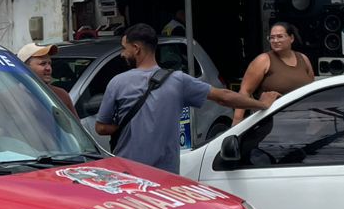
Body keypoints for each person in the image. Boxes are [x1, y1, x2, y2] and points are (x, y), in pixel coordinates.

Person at [94, 24, 271, 174]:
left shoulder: (118, 83)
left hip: (128, 173)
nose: (122, 54)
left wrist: (125, 125)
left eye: (124, 48)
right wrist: (262, 104)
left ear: (136, 49)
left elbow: (101, 127)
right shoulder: (178, 80)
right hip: (166, 174)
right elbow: (224, 97)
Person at [233, 21, 317, 125]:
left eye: (280, 36)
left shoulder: (303, 59)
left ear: (291, 38)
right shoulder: (263, 60)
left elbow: (313, 91)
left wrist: (316, 120)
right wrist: (237, 122)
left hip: (303, 122)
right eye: (272, 37)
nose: (275, 40)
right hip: (273, 125)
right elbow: (245, 91)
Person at [16, 42, 73, 108]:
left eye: (49, 63)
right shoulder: (10, 97)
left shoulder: (60, 95)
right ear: (25, 67)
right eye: (43, 64)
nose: (48, 68)